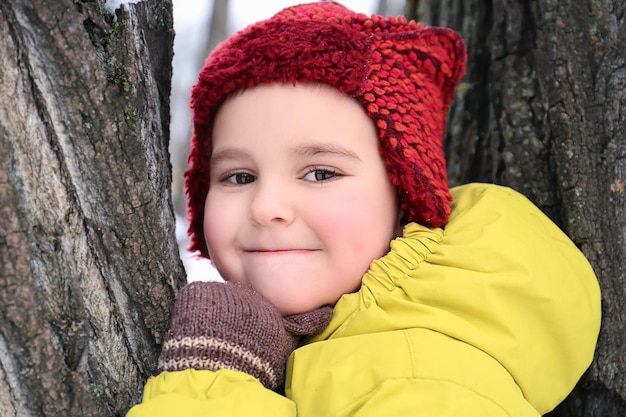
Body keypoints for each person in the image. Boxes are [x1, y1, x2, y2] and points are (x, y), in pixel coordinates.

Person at [127, 2, 601, 416]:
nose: (267, 206)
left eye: (320, 173)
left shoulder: (424, 380)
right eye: (239, 177)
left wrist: (213, 384)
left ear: (403, 194)